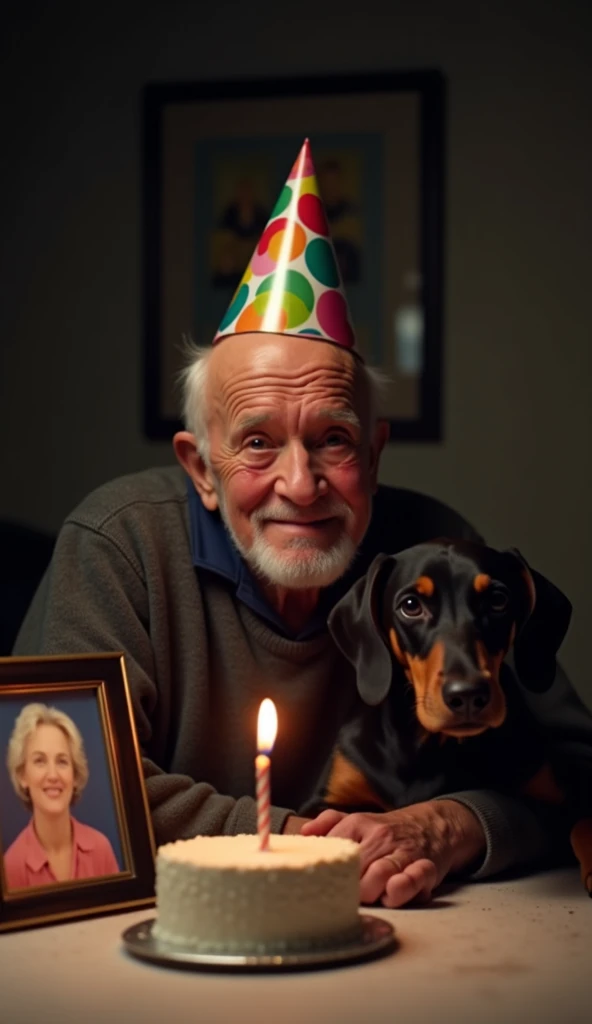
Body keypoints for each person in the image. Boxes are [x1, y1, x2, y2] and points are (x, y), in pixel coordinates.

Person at [14, 140, 592, 908]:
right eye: (257, 441)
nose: (300, 483)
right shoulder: (118, 546)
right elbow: (54, 795)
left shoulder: (434, 549)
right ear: (200, 468)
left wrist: (459, 823)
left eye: (334, 440)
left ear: (375, 456)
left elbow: (576, 761)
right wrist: (312, 845)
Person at [4, 703, 120, 889]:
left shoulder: (101, 849)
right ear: (22, 775)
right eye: (40, 761)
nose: (53, 775)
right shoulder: (11, 867)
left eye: (62, 761)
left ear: (75, 774)